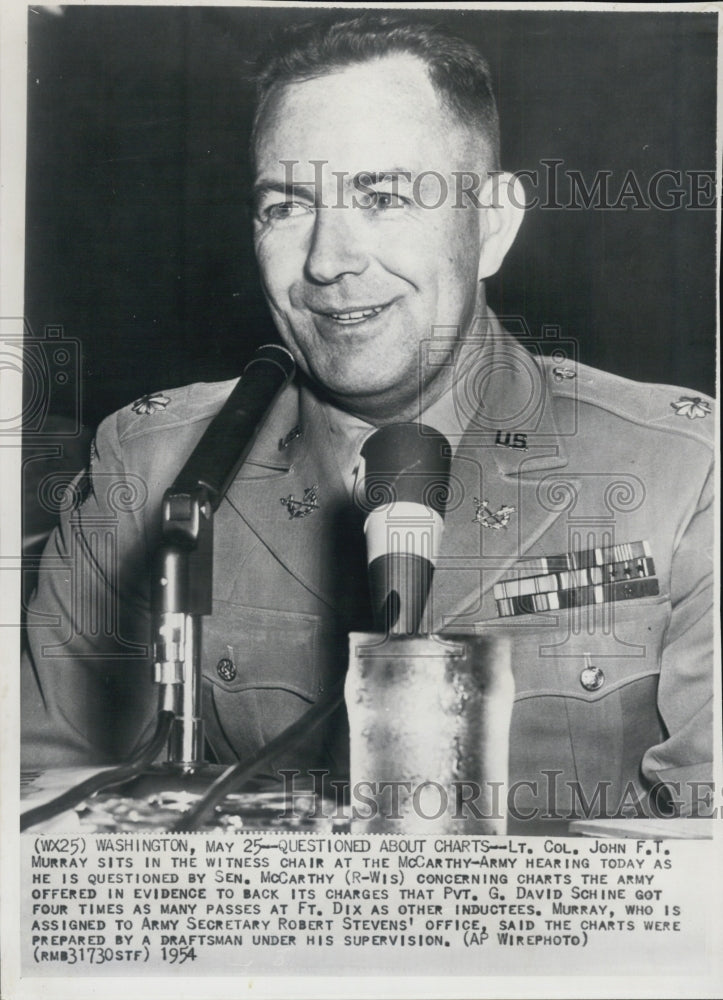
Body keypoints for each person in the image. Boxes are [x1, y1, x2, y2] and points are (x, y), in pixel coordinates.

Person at [22, 14, 714, 823]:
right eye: (285, 206)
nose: (327, 260)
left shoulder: (681, 470)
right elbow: (52, 820)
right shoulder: (156, 472)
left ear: (491, 222)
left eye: (381, 196)